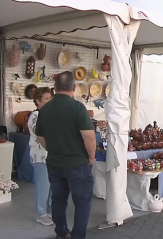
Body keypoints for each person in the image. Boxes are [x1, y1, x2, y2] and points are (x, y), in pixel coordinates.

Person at [35, 71, 96, 239]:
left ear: (54, 89)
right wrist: (91, 157)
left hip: (54, 163)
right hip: (78, 164)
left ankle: (61, 232)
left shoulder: (45, 109)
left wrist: (54, 149)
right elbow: (89, 136)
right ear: (74, 88)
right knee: (82, 203)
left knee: (58, 200)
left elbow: (40, 136)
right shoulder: (77, 108)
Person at [27, 87, 53, 225]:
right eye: (47, 98)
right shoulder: (35, 116)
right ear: (38, 101)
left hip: (52, 155)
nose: (50, 101)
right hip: (39, 156)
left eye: (51, 98)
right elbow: (40, 132)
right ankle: (41, 213)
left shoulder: (51, 114)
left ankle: (49, 211)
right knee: (44, 184)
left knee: (53, 185)